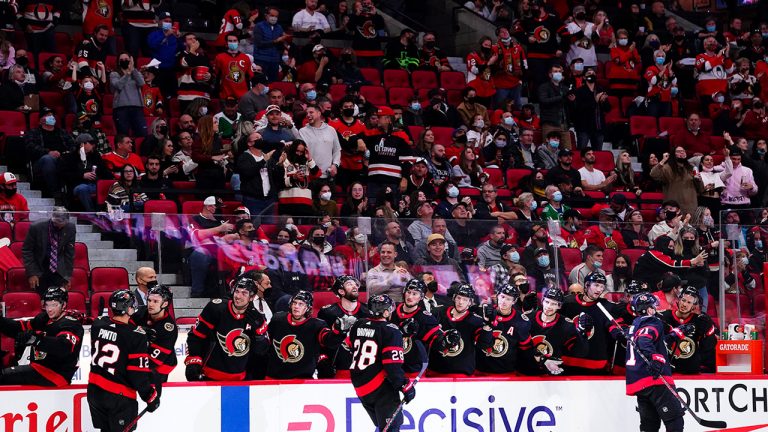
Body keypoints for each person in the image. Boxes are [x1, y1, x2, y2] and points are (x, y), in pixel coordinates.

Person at [88, 290, 160, 431]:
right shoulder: (136, 337)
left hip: (95, 392)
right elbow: (137, 375)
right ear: (127, 309)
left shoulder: (97, 325)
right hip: (118, 398)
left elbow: (114, 327)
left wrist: (140, 329)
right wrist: (150, 396)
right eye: (132, 306)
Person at [350, 294, 414, 432]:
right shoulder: (391, 330)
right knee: (391, 427)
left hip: (360, 387)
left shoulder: (358, 324)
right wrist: (405, 385)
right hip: (380, 388)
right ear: (385, 312)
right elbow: (392, 365)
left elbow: (352, 346)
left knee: (382, 426)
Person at [185, 278, 268, 381]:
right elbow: (196, 336)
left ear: (252, 297)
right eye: (237, 291)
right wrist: (193, 361)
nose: (238, 296)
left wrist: (259, 335)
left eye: (244, 293)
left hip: (240, 379)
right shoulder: (216, 309)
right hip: (209, 375)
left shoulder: (257, 318)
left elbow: (260, 352)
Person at [625, 293, 685, 432]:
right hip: (655, 380)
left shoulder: (634, 325)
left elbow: (656, 341)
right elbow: (645, 340)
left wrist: (675, 334)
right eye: (654, 307)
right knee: (675, 421)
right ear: (649, 310)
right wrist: (655, 359)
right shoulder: (653, 321)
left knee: (649, 426)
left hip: (639, 383)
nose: (656, 310)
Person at [0, 287, 83, 386]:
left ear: (63, 305)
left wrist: (36, 340)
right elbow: (20, 328)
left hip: (56, 375)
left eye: (54, 305)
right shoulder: (44, 318)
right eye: (47, 305)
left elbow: (63, 346)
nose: (49, 309)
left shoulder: (70, 324)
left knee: (3, 376)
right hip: (37, 369)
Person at [265, 290, 351, 379]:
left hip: (302, 380)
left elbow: (329, 341)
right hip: (274, 378)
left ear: (308, 308)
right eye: (294, 303)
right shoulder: (278, 319)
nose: (296, 306)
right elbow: (266, 343)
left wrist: (338, 332)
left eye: (301, 304)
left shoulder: (317, 325)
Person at [561, 272, 626, 375]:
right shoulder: (568, 303)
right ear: (586, 285)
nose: (599, 289)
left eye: (602, 286)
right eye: (596, 285)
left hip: (596, 364)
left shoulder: (606, 306)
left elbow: (625, 313)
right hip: (568, 362)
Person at [429, 283, 493, 376]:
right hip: (435, 371)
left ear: (470, 302)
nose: (461, 302)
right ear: (454, 298)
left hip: (462, 373)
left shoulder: (476, 321)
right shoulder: (438, 313)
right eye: (458, 298)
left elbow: (484, 345)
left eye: (465, 299)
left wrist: (488, 325)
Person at [316, 276, 371, 378]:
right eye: (349, 284)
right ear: (341, 291)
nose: (354, 286)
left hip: (364, 369)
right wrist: (323, 360)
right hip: (336, 369)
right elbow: (321, 342)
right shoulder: (328, 313)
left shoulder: (367, 311)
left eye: (355, 284)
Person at [476, 283, 534, 375]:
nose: (504, 301)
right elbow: (478, 343)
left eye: (508, 299)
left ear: (514, 301)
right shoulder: (483, 312)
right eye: (502, 297)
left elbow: (525, 349)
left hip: (506, 372)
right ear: (497, 296)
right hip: (480, 370)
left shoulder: (521, 321)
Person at [659, 286, 717, 374]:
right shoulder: (663, 316)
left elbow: (709, 346)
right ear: (678, 301)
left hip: (691, 370)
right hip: (668, 370)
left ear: (694, 306)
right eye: (683, 300)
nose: (684, 304)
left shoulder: (701, 320)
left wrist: (708, 332)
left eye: (689, 302)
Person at [129, 285, 178, 384]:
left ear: (164, 304)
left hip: (162, 365)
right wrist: (137, 331)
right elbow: (123, 329)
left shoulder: (168, 328)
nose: (150, 304)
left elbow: (153, 362)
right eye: (149, 300)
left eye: (155, 301)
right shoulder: (141, 312)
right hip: (144, 356)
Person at [22, 207, 75, 295]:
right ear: (52, 219)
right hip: (40, 266)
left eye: (62, 225)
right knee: (42, 299)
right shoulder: (36, 227)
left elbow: (69, 253)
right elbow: (27, 250)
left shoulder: (70, 228)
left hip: (58, 269)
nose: (59, 227)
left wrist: (67, 277)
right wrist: (32, 273)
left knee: (57, 300)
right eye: (57, 224)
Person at [25, 108, 74, 198]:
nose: (51, 117)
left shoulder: (62, 132)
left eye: (52, 115)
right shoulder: (34, 132)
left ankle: (72, 193)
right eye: (47, 115)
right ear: (40, 120)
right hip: (41, 161)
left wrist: (66, 153)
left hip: (63, 158)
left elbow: (73, 146)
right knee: (48, 159)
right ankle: (55, 191)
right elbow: (30, 147)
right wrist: (48, 152)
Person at [650, 147, 699, 216]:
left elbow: (700, 188)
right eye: (679, 151)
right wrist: (663, 160)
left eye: (683, 151)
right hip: (673, 207)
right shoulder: (667, 168)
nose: (682, 152)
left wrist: (698, 180)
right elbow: (653, 174)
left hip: (690, 207)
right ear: (673, 154)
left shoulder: (691, 168)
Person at [109, 52, 148, 137]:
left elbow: (141, 83)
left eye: (126, 59)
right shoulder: (114, 74)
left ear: (131, 61)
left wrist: (133, 70)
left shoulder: (135, 73)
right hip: (121, 109)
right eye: (122, 60)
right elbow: (118, 85)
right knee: (123, 136)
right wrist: (128, 74)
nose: (124, 61)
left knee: (142, 134)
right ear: (119, 62)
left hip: (137, 108)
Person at [299, 105, 340, 180]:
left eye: (311, 112)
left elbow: (337, 150)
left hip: (328, 175)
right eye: (306, 113)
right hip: (310, 176)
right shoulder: (302, 131)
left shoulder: (331, 130)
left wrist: (335, 165)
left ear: (319, 113)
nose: (308, 115)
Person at [538, 66, 572, 149]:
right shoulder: (544, 87)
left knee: (567, 150)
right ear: (550, 75)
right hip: (550, 123)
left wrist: (572, 101)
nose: (558, 73)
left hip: (564, 124)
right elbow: (544, 101)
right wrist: (561, 97)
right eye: (555, 71)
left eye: (560, 71)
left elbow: (570, 106)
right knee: (548, 150)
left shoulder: (565, 88)